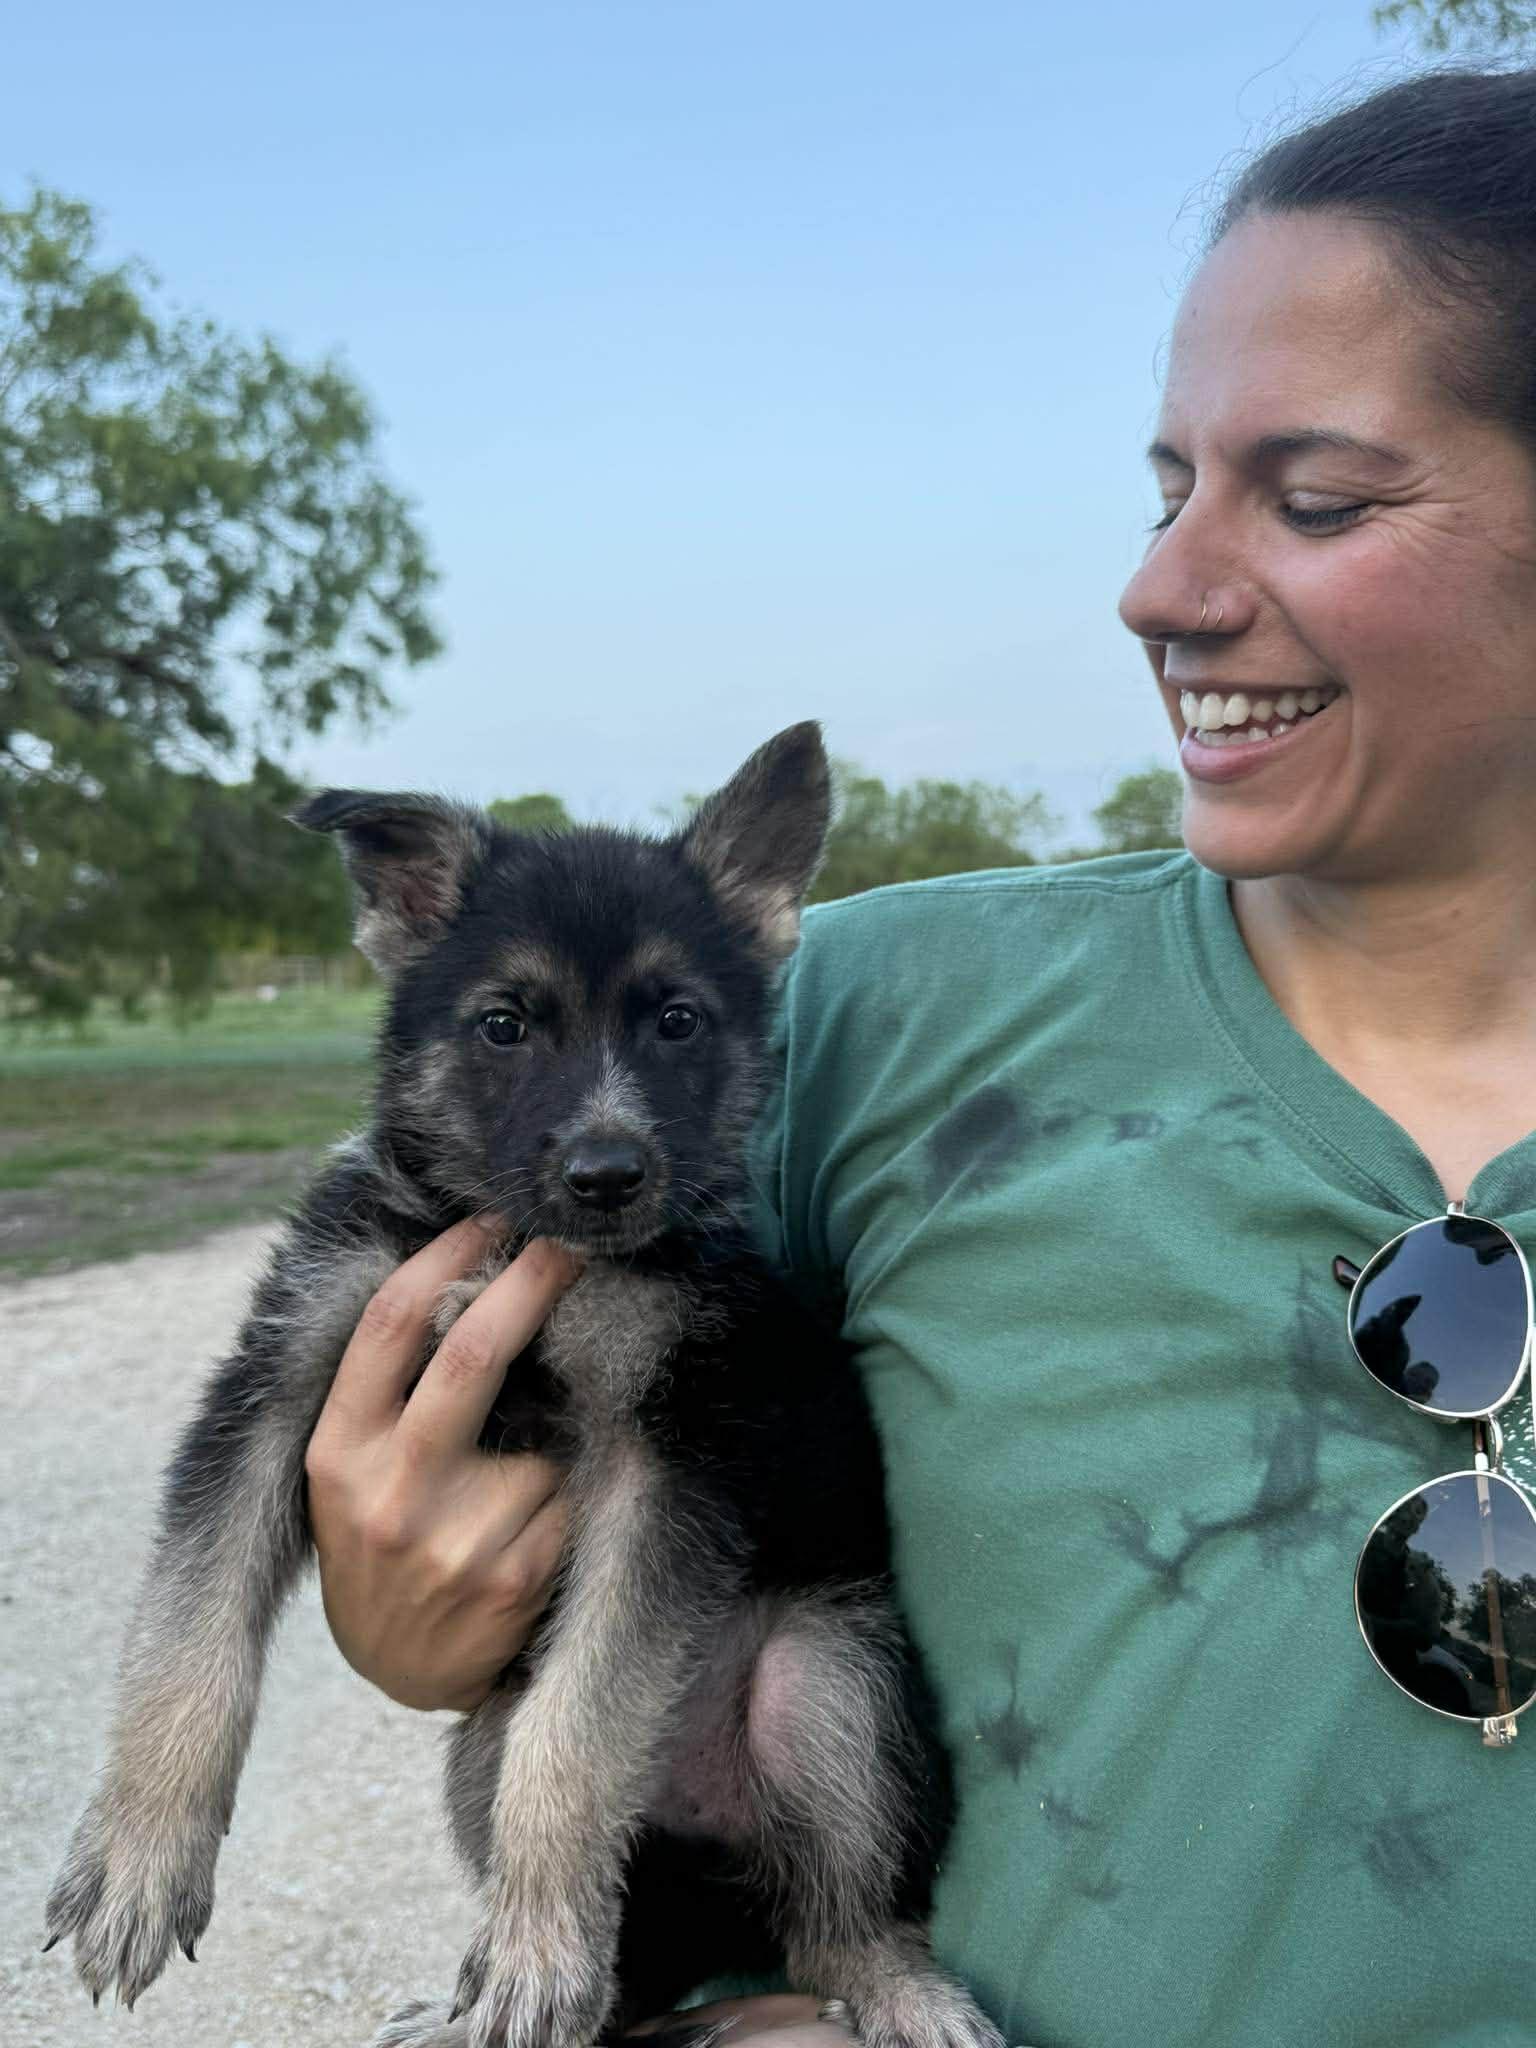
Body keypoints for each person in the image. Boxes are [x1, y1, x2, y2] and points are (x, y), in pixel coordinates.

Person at [304, 66, 1536, 2048]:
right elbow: (507, 1478)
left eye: (1314, 499)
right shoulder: (866, 1017)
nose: (1162, 589)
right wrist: (403, 1593)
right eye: (1169, 488)